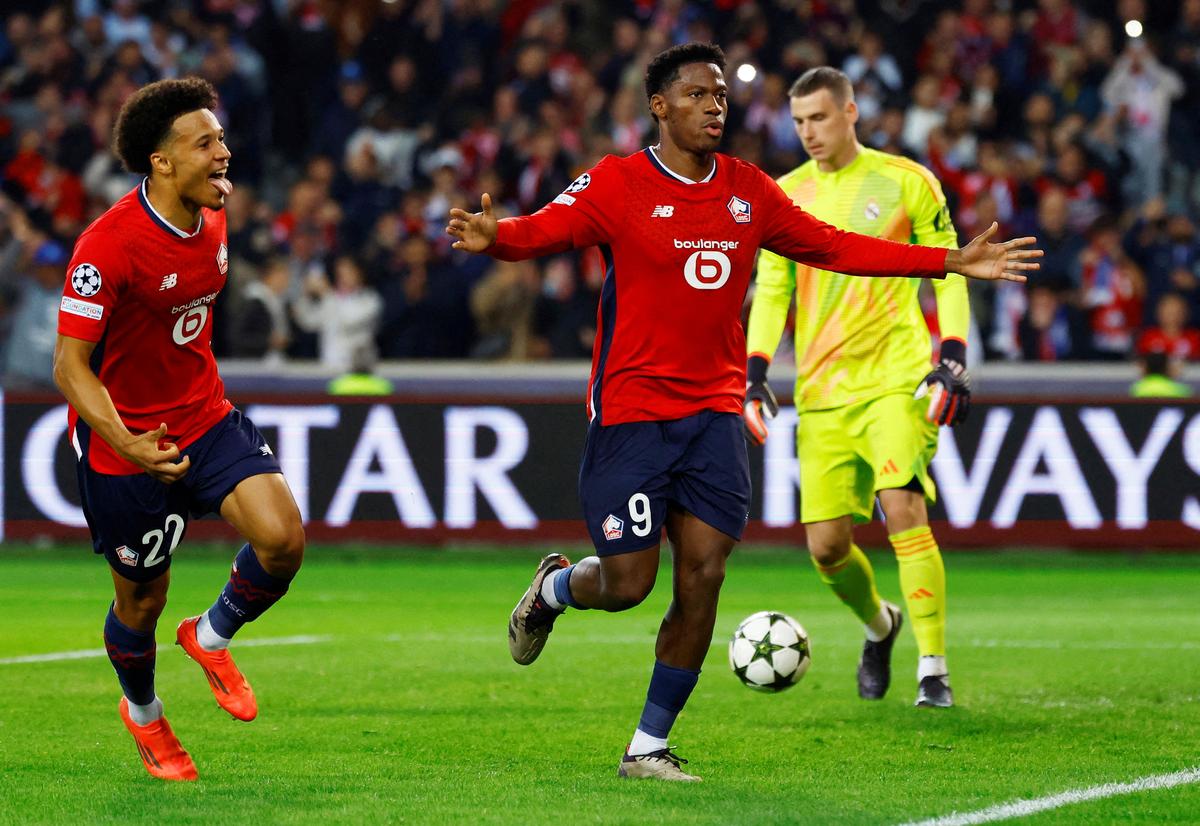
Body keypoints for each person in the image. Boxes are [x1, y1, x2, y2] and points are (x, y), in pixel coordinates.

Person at [446, 43, 1039, 781]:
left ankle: (647, 747)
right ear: (659, 106)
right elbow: (541, 229)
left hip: (715, 416)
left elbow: (834, 246)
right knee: (630, 585)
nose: (714, 106)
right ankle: (557, 587)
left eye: (721, 95)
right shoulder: (618, 182)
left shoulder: (749, 191)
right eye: (696, 94)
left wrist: (946, 262)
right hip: (632, 411)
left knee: (703, 579)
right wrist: (493, 238)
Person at [53, 78, 305, 782]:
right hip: (128, 443)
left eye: (220, 138)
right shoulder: (107, 247)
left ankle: (211, 634)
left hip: (204, 415)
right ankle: (144, 715)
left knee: (282, 540)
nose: (224, 153)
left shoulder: (214, 216)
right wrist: (127, 441)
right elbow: (70, 367)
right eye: (206, 143)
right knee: (140, 601)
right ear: (162, 162)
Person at [744, 67, 974, 709]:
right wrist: (756, 370)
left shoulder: (906, 181)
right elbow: (774, 291)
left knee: (900, 503)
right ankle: (882, 625)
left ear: (850, 112)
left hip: (897, 377)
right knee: (826, 548)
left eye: (819, 117)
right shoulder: (784, 196)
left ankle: (934, 668)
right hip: (821, 391)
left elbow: (949, 271)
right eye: (798, 122)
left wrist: (951, 355)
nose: (808, 132)